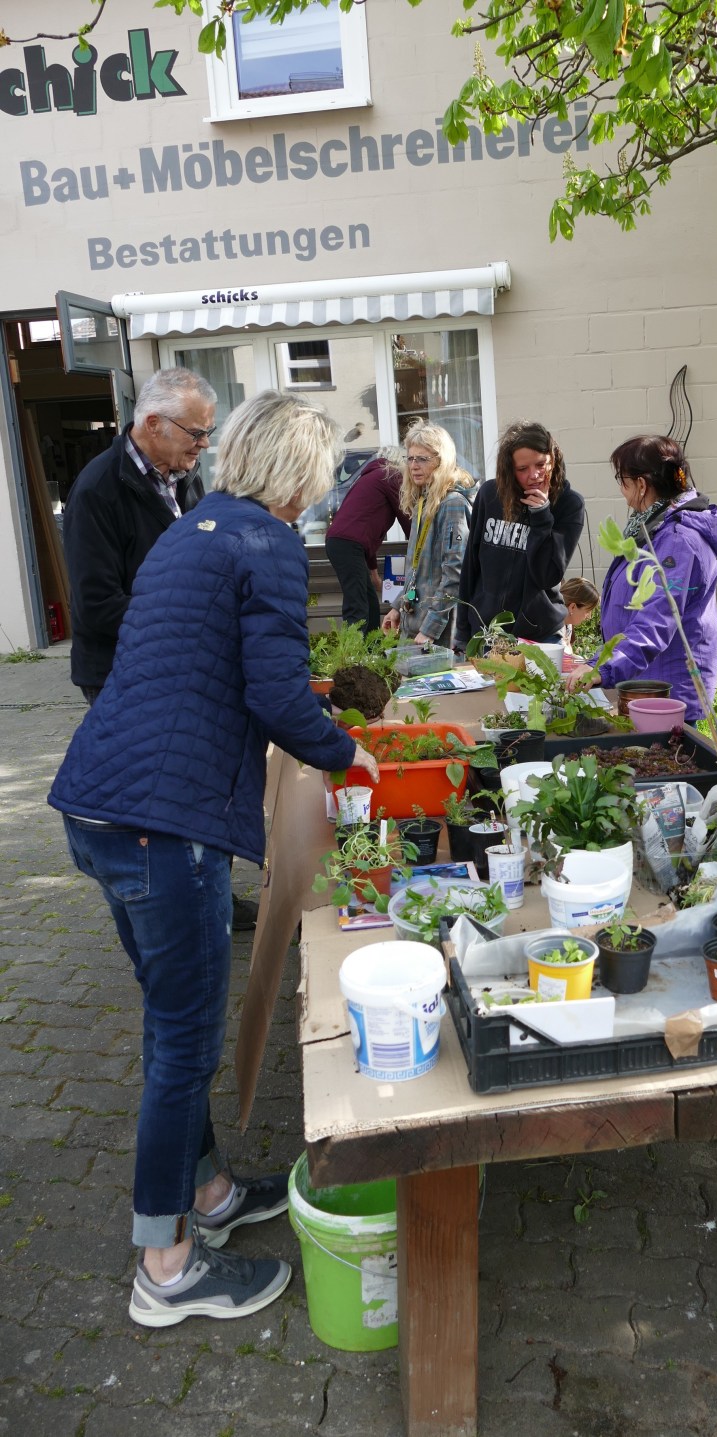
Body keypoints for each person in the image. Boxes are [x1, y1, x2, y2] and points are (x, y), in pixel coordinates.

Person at [48, 392, 380, 1329]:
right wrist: (349, 751)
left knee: (169, 1024)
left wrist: (305, 691)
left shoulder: (194, 528)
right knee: (183, 1045)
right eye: (318, 480)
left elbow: (206, 660)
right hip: (166, 823)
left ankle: (210, 1194)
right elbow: (272, 696)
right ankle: (166, 1263)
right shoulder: (267, 542)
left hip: (102, 804)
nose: (317, 500)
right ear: (298, 474)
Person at [63, 367, 216, 704]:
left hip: (177, 663)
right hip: (122, 673)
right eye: (195, 432)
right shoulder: (97, 490)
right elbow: (97, 606)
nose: (204, 443)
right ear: (153, 424)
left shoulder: (184, 475)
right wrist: (185, 617)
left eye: (208, 431)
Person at [565, 436, 717, 719]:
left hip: (670, 695)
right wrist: (597, 661)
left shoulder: (678, 540)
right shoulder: (657, 528)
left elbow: (656, 618)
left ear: (642, 485)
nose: (620, 489)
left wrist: (603, 668)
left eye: (622, 480)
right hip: (649, 684)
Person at [455, 420, 585, 649]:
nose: (534, 475)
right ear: (509, 468)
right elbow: (471, 566)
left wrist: (542, 516)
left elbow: (547, 576)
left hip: (540, 635)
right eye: (522, 469)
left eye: (541, 464)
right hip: (487, 634)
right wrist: (463, 632)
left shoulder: (568, 504)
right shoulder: (490, 496)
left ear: (553, 460)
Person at [381, 423, 475, 646]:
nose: (414, 466)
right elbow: (418, 571)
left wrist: (430, 630)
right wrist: (397, 607)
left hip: (439, 633)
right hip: (416, 621)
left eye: (422, 459)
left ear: (441, 461)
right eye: (410, 458)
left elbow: (455, 575)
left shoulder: (452, 504)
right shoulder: (424, 500)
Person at [324, 447, 410, 633]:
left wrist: (373, 573)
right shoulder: (390, 474)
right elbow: (406, 513)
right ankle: (355, 655)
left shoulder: (369, 477)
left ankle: (371, 653)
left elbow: (364, 533)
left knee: (370, 601)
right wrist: (420, 544)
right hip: (347, 544)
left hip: (343, 543)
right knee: (357, 603)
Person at [560, 576, 599, 656]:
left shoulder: (568, 625)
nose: (589, 617)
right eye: (588, 611)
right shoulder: (554, 632)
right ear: (572, 607)